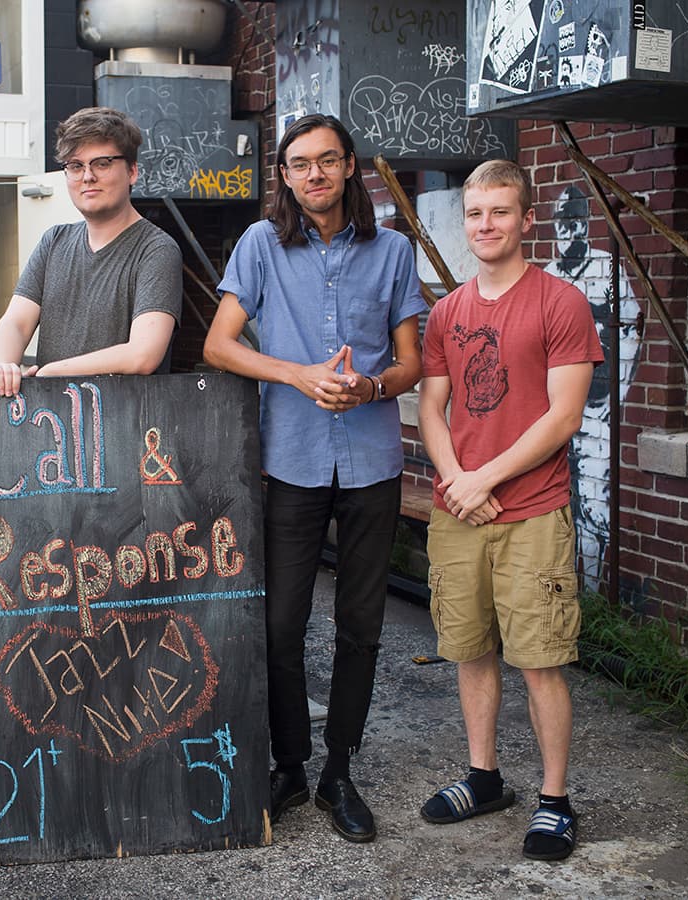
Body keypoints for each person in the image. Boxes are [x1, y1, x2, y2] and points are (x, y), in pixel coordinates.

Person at [203, 113, 425, 843]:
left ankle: (339, 771)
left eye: (327, 161)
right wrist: (297, 375)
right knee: (279, 624)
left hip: (372, 463)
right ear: (286, 177)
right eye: (300, 164)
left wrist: (372, 388)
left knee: (362, 623)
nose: (315, 175)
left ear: (349, 166)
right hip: (291, 458)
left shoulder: (391, 251)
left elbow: (410, 363)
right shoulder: (262, 246)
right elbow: (219, 344)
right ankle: (290, 764)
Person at [416, 159, 602, 862]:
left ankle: (555, 800)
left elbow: (563, 417)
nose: (485, 225)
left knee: (540, 659)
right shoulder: (447, 311)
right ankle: (484, 777)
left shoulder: (560, 303)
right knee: (468, 650)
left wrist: (483, 476)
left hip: (530, 509)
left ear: (527, 220)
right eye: (474, 214)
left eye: (499, 212)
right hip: (460, 511)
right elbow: (432, 408)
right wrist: (457, 477)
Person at [0, 106, 181, 396]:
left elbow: (144, 354)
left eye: (102, 163)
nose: (87, 176)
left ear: (132, 171)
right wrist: (1, 366)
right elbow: (15, 323)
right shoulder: (54, 242)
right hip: (55, 428)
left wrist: (52, 373)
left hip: (123, 431)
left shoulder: (156, 250)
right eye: (75, 166)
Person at [547, 185, 640, 586]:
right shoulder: (547, 278)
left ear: (585, 224)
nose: (567, 232)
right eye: (561, 224)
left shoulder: (606, 270)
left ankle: (589, 595)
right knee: (556, 502)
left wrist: (614, 395)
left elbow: (632, 331)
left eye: (574, 222)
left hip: (596, 410)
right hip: (552, 414)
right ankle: (560, 591)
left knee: (594, 508)